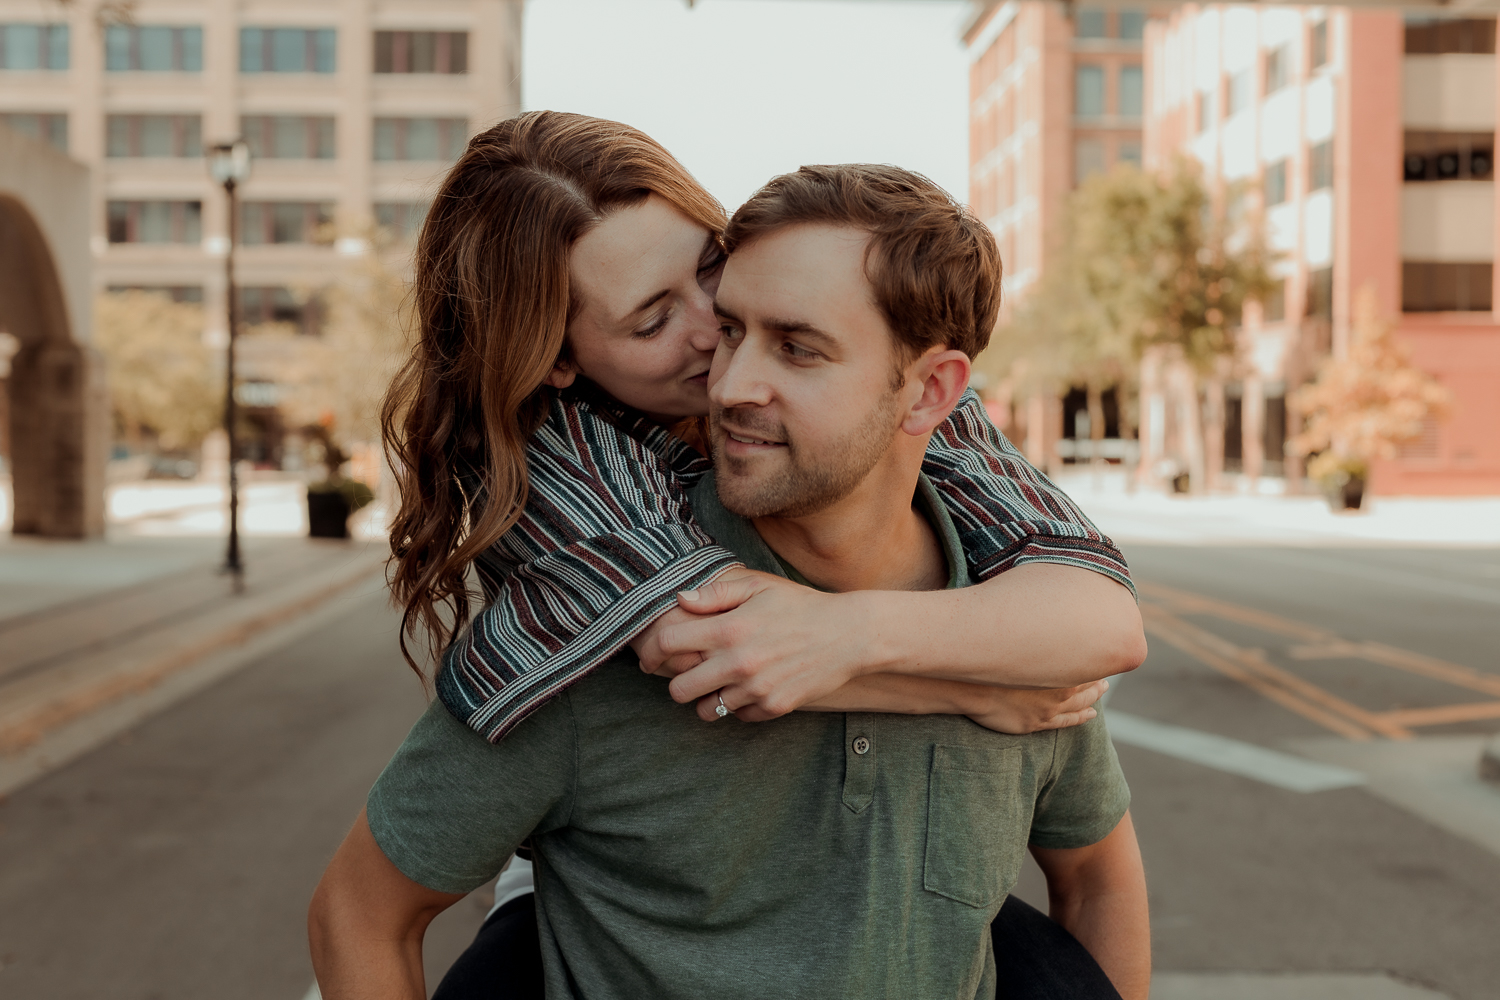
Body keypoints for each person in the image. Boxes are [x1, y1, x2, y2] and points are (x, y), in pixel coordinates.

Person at [309, 160, 1149, 999]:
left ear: (929, 389)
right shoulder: (571, 542)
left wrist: (872, 641)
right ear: (557, 361)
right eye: (652, 321)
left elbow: (1105, 651)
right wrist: (963, 693)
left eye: (713, 279)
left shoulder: (989, 568)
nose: (721, 356)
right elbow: (710, 640)